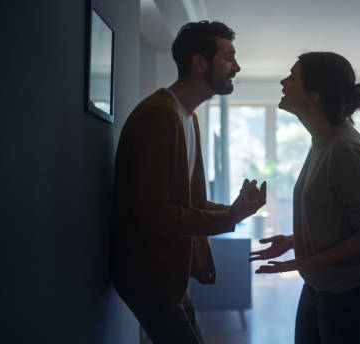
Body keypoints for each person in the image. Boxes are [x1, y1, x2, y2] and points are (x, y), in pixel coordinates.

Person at [112, 21, 266, 344]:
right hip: (149, 278)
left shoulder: (187, 116)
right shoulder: (160, 115)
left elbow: (189, 203)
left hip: (168, 278)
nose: (236, 67)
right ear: (200, 63)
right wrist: (231, 216)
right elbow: (155, 213)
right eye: (228, 57)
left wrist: (237, 209)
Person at [250, 52, 360, 343]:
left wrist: (300, 262)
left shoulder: (347, 150)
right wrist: (294, 242)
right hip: (322, 286)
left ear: (314, 96)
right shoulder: (323, 142)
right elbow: (337, 218)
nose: (283, 81)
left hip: (355, 293)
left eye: (292, 77)